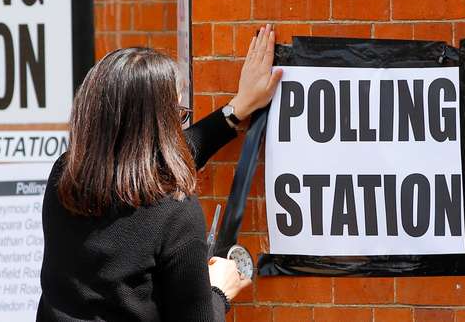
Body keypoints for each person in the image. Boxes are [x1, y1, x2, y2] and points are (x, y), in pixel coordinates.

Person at [38, 25, 282, 321]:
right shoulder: (176, 213)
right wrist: (218, 291)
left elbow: (147, 163)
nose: (180, 124)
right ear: (158, 126)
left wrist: (235, 110)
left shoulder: (65, 177)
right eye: (177, 115)